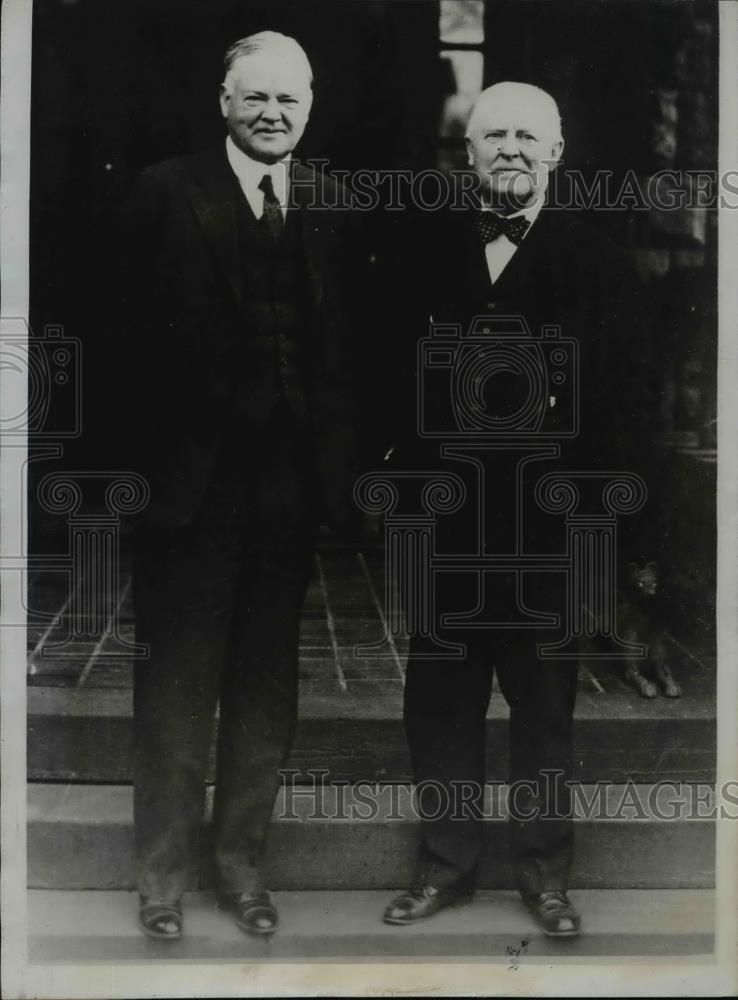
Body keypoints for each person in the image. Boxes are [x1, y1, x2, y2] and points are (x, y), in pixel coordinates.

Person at [378, 82, 659, 937]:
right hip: (449, 528)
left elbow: (628, 412)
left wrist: (617, 534)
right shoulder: (420, 256)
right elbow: (383, 384)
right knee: (440, 703)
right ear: (466, 153)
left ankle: (545, 876)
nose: (509, 147)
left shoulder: (604, 265)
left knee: (545, 707)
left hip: (548, 532)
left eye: (527, 136)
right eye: (491, 133)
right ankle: (446, 865)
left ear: (556, 154)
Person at [117, 31, 361, 940]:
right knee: (177, 685)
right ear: (223, 102)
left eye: (288, 101)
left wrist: (342, 475)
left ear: (309, 107)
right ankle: (163, 881)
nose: (272, 114)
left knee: (265, 686)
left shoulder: (331, 201)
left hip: (289, 487)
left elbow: (347, 356)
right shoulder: (164, 192)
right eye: (254, 98)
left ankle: (242, 871)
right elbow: (116, 343)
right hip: (190, 488)